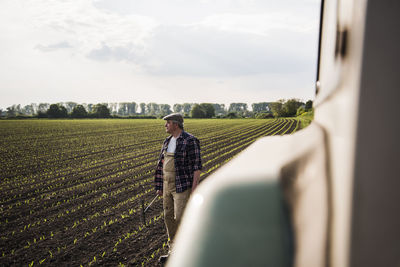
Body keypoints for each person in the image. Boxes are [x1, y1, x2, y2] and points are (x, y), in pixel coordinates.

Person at [155, 113, 202, 264]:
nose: (165, 125)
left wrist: (194, 188)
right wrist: (160, 186)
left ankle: (189, 250)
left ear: (176, 124)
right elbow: (161, 165)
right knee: (168, 217)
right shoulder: (168, 141)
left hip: (181, 185)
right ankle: (173, 251)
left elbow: (196, 166)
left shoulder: (190, 140)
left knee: (181, 217)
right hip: (167, 185)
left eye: (167, 123)